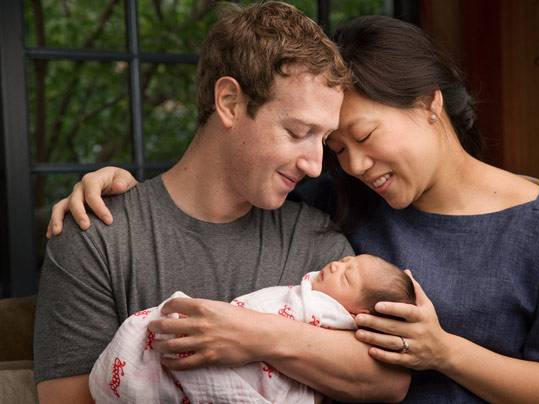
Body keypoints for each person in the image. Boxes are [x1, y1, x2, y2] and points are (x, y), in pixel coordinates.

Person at [48, 14, 539, 404]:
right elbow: (226, 169)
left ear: (429, 103)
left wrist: (444, 352)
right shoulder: (344, 199)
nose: (340, 164)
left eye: (355, 137)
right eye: (334, 145)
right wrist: (116, 182)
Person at [32, 3, 411, 404]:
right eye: (298, 131)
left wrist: (254, 335)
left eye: (323, 139)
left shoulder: (316, 245)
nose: (316, 165)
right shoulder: (98, 235)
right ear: (229, 102)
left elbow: (387, 382)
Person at [89, 255, 415, 404]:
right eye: (345, 261)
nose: (336, 265)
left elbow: (392, 381)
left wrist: (254, 334)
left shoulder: (328, 306)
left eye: (346, 275)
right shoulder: (109, 235)